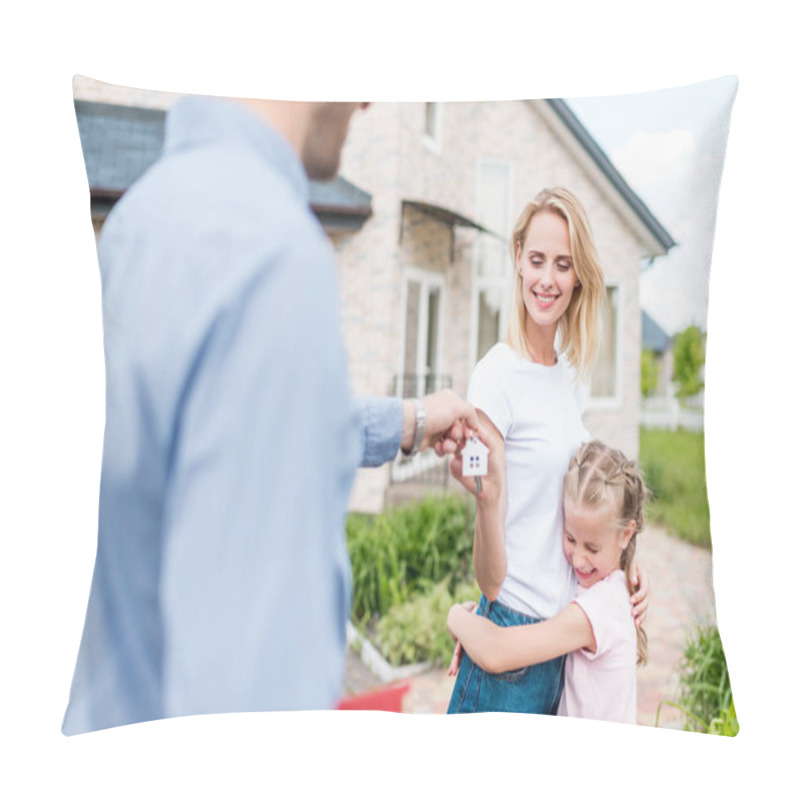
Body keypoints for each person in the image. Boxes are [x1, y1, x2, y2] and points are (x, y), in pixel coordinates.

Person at [61, 96, 480, 735]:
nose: (368, 98)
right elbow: (248, 707)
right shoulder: (273, 258)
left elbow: (217, 433)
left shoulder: (139, 218)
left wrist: (413, 419)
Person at [446, 187, 647, 715]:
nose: (547, 279)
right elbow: (489, 571)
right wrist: (476, 618)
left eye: (563, 264)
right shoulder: (494, 378)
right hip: (510, 642)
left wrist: (623, 568)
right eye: (537, 260)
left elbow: (583, 509)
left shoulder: (570, 374)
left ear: (578, 274)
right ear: (517, 259)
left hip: (561, 646)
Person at [448, 440, 648, 724]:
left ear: (626, 535)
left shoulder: (599, 609)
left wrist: (455, 616)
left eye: (592, 548)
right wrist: (475, 626)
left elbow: (495, 652)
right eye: (569, 538)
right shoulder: (612, 590)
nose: (578, 559)